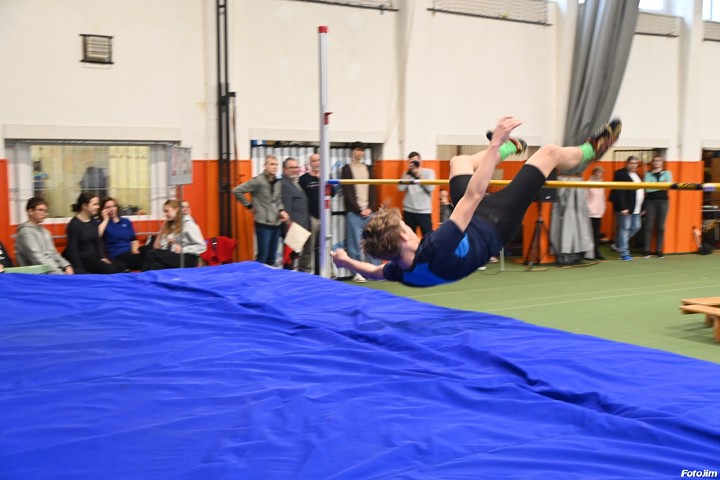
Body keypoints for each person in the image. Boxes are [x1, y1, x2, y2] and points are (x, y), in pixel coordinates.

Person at [330, 115, 622, 287]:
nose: (409, 228)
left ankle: (511, 148)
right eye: (406, 227)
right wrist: (494, 143)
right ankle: (590, 150)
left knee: (459, 161)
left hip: (470, 222)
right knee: (549, 153)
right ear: (405, 238)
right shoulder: (436, 247)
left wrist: (347, 261)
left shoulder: (399, 268)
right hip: (497, 223)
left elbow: (373, 272)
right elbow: (474, 194)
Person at [233, 155, 289, 266]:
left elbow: (278, 200)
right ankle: (259, 277)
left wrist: (281, 210)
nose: (274, 167)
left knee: (272, 259)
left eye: (276, 165)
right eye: (272, 164)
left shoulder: (278, 182)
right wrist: (249, 206)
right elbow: (237, 191)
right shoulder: (258, 181)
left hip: (276, 224)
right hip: (263, 225)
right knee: (262, 257)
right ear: (265, 166)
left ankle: (269, 277)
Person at [341, 141, 380, 282]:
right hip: (354, 212)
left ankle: (375, 270)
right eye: (358, 150)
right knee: (354, 244)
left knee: (372, 241)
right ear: (353, 151)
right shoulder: (347, 169)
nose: (360, 153)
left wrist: (371, 207)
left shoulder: (368, 168)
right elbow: (347, 191)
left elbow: (373, 189)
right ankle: (357, 272)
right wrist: (358, 209)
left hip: (370, 211)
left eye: (362, 150)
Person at [64, 192, 123, 274]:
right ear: (84, 206)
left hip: (94, 257)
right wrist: (80, 270)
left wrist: (102, 257)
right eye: (95, 204)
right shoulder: (74, 224)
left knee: (121, 265)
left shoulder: (93, 221)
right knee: (110, 269)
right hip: (84, 259)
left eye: (97, 204)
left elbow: (98, 241)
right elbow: (72, 250)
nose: (98, 207)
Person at [142, 199, 206, 270]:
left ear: (176, 210)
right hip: (176, 256)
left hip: (188, 258)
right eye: (164, 211)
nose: (165, 214)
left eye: (167, 211)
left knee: (151, 254)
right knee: (156, 266)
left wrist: (183, 249)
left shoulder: (188, 224)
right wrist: (169, 244)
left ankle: (141, 276)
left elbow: (202, 246)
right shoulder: (170, 225)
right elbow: (163, 247)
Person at [15, 197, 74, 274]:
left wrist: (66, 266)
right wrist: (60, 274)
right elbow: (37, 259)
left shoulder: (45, 232)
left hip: (53, 272)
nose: (44, 214)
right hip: (36, 276)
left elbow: (54, 253)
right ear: (30, 211)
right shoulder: (25, 232)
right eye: (40, 210)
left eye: (46, 211)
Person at [609, 156, 644, 261]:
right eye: (631, 163)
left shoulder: (637, 175)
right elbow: (619, 192)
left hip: (637, 207)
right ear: (626, 163)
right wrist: (623, 207)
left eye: (636, 163)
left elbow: (641, 191)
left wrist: (643, 207)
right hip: (626, 208)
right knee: (625, 229)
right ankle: (624, 253)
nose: (634, 165)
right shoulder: (620, 174)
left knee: (636, 227)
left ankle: (618, 244)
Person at [280, 157, 312, 271]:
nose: (295, 170)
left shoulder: (294, 183)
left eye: (296, 167)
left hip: (300, 228)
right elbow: (286, 209)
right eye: (291, 167)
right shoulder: (285, 184)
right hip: (293, 229)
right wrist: (288, 230)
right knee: (289, 259)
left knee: (293, 258)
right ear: (284, 170)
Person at [98, 197, 145, 271]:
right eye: (108, 207)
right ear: (103, 210)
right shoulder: (102, 224)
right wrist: (105, 219)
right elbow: (97, 236)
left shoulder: (126, 221)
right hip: (117, 255)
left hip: (130, 253)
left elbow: (133, 239)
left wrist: (135, 251)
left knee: (148, 252)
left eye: (114, 206)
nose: (112, 209)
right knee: (147, 260)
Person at [398, 152, 436, 236]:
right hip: (409, 211)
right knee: (409, 237)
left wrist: (418, 175)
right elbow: (400, 188)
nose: (413, 163)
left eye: (415, 161)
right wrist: (406, 178)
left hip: (424, 211)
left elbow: (430, 188)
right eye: (411, 161)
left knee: (427, 237)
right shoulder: (406, 174)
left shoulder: (429, 172)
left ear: (420, 161)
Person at [299, 153, 324, 275]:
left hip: (324, 217)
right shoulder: (304, 179)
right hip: (311, 217)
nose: (317, 163)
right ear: (310, 163)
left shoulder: (325, 177)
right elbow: (299, 198)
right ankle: (305, 272)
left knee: (323, 248)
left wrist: (322, 180)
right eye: (314, 161)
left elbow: (332, 192)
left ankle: (321, 273)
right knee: (308, 248)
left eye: (318, 160)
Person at [643, 155, 672, 258]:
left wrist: (654, 185)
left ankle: (659, 250)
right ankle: (647, 250)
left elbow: (668, 187)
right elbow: (647, 189)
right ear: (652, 162)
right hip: (650, 201)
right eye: (655, 161)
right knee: (648, 226)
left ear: (662, 162)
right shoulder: (648, 174)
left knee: (661, 226)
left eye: (659, 161)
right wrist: (661, 185)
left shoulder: (667, 173)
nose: (657, 162)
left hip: (664, 201)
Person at [586, 166, 607, 260]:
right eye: (597, 172)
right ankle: (588, 254)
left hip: (598, 213)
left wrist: (603, 208)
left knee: (596, 234)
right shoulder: (588, 183)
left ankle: (596, 252)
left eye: (601, 172)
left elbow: (602, 198)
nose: (599, 174)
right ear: (593, 173)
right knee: (589, 234)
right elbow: (585, 198)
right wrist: (588, 209)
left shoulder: (601, 184)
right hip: (590, 213)